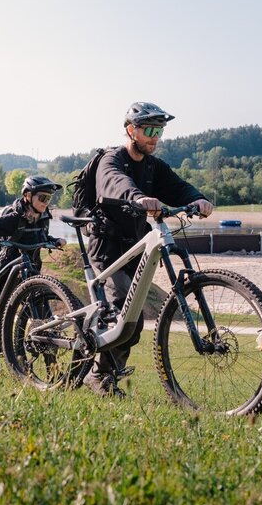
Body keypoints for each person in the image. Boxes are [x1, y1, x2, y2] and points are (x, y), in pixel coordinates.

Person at [83, 101, 214, 397]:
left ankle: (106, 375)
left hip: (136, 246)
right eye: (150, 129)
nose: (155, 136)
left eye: (160, 130)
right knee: (122, 310)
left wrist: (198, 199)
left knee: (134, 318)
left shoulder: (155, 166)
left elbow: (178, 187)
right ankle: (99, 376)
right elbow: (114, 182)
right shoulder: (111, 159)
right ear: (131, 130)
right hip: (107, 246)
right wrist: (138, 197)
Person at [0, 176, 68, 371]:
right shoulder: (14, 218)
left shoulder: (43, 218)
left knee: (43, 318)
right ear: (27, 196)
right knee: (2, 316)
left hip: (31, 270)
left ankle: (51, 368)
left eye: (49, 199)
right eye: (42, 198)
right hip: (9, 269)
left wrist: (53, 240)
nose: (46, 203)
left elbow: (39, 235)